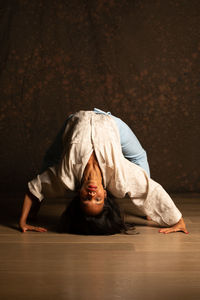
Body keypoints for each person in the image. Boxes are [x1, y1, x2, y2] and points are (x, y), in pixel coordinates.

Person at [19, 109, 188, 235]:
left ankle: (35, 208)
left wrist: (23, 220)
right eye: (97, 199)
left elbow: (35, 187)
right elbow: (152, 189)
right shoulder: (120, 176)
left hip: (75, 121)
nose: (92, 194)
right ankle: (148, 209)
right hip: (111, 123)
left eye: (87, 199)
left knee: (50, 158)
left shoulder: (66, 176)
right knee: (139, 161)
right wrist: (177, 220)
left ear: (79, 195)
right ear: (105, 194)